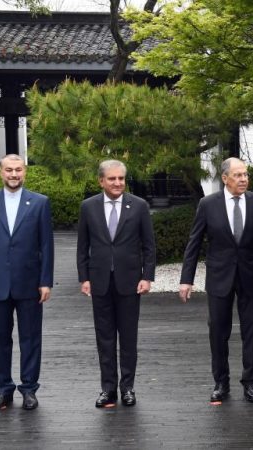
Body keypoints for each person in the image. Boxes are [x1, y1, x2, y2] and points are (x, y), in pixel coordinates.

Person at [179, 157, 253, 404]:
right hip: (219, 277)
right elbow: (194, 244)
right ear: (225, 178)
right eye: (238, 175)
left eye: (245, 175)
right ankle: (220, 383)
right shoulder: (208, 204)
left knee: (252, 332)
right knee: (218, 332)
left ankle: (250, 382)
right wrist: (186, 279)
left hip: (249, 276)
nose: (244, 179)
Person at [0, 154, 54, 411]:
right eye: (9, 170)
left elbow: (46, 245)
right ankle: (3, 390)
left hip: (30, 283)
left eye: (18, 170)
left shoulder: (40, 203)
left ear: (25, 172)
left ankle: (29, 389)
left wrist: (46, 281)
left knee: (31, 338)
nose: (14, 174)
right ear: (0, 172)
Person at [77, 160, 156, 408]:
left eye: (121, 178)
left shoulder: (139, 206)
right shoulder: (88, 207)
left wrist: (147, 276)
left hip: (130, 282)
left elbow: (149, 246)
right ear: (101, 181)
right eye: (112, 179)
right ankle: (108, 389)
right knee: (105, 339)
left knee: (128, 338)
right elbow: (83, 247)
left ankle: (128, 388)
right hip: (100, 281)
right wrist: (84, 277)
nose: (117, 183)